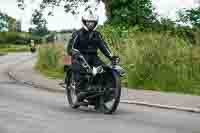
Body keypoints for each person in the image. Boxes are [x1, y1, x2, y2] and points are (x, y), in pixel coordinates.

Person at [66, 9, 114, 95]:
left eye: (92, 22)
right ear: (84, 22)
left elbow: (104, 47)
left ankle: (102, 94)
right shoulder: (77, 33)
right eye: (88, 22)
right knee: (81, 71)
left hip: (94, 57)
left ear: (95, 23)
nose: (90, 24)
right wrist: (75, 53)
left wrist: (112, 57)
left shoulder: (97, 34)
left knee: (105, 70)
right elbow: (70, 48)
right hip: (80, 57)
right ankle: (79, 91)